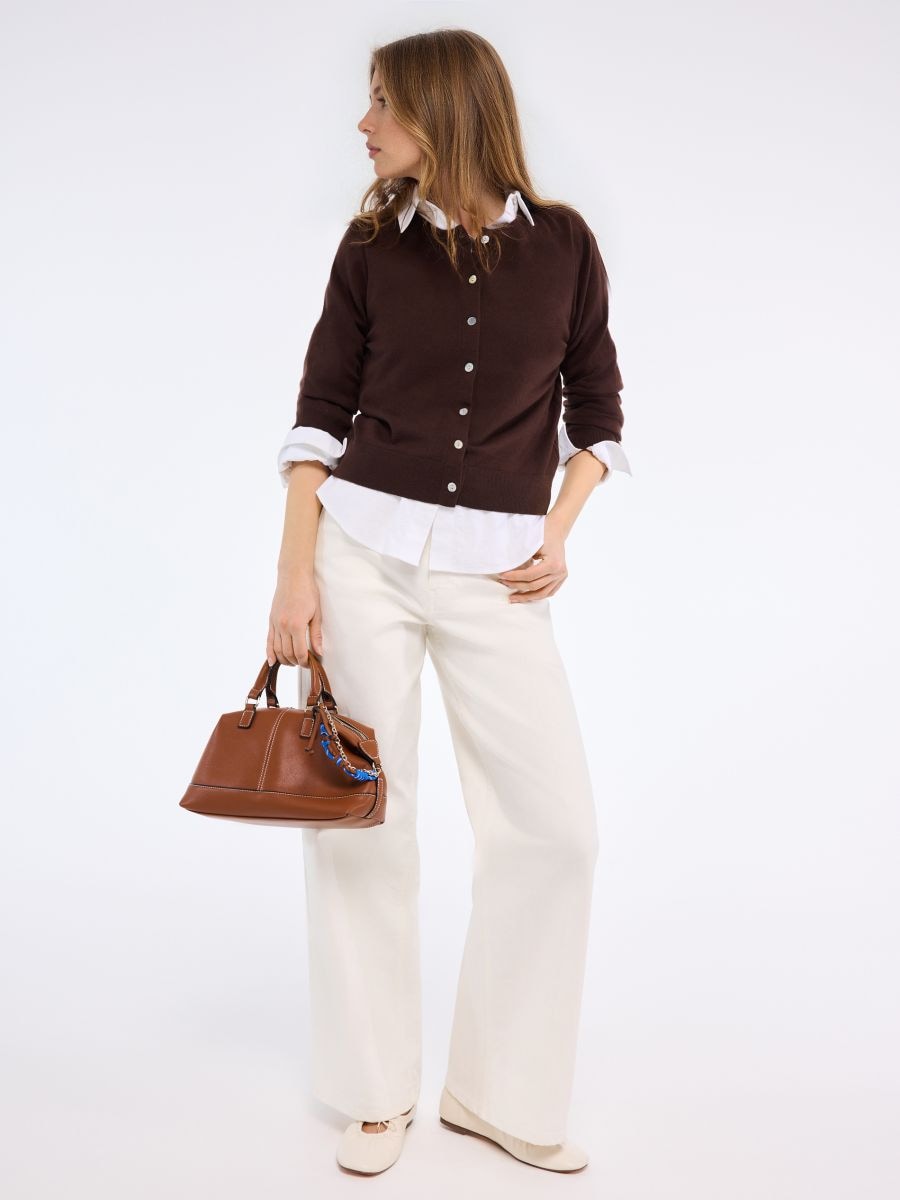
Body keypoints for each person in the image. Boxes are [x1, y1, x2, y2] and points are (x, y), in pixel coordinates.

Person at [267, 29, 631, 1176]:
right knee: (365, 818)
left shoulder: (565, 245)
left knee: (556, 829)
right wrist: (293, 578)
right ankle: (376, 1092)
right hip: (361, 558)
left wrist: (557, 535)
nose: (364, 123)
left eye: (383, 102)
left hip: (499, 576)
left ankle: (498, 1092)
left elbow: (598, 413)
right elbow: (319, 417)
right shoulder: (372, 247)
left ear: (443, 107)